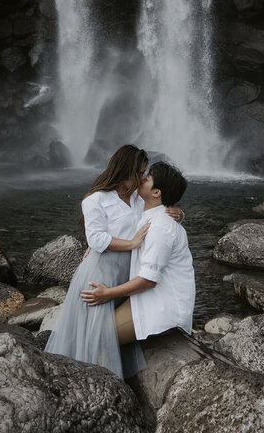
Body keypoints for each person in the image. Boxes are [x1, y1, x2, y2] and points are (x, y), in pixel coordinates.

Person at [44, 145, 182, 378]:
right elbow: (96, 238)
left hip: (126, 272)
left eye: (143, 173)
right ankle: (84, 381)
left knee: (110, 329)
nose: (141, 178)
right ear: (124, 170)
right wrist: (131, 244)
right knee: (92, 332)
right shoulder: (95, 200)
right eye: (138, 172)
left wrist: (179, 214)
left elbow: (157, 213)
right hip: (100, 271)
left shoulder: (138, 199)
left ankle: (112, 381)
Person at [80, 161, 194, 347]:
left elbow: (149, 280)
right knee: (88, 326)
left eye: (147, 178)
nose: (141, 179)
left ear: (157, 192)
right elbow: (116, 219)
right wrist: (98, 241)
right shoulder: (147, 212)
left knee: (95, 337)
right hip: (147, 297)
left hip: (161, 305)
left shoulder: (160, 227)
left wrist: (108, 293)